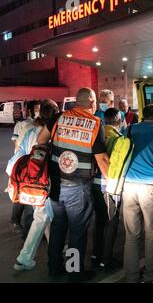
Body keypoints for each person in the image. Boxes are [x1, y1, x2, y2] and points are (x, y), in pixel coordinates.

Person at [37, 87, 109, 282]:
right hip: (78, 188)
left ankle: (54, 268)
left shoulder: (59, 117)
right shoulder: (95, 123)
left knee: (58, 226)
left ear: (77, 102)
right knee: (78, 231)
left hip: (56, 186)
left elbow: (40, 139)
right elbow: (102, 160)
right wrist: (114, 181)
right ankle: (74, 272)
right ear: (93, 103)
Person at [6, 100, 59, 271]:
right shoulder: (52, 133)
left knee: (43, 216)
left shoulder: (30, 133)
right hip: (46, 183)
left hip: (31, 184)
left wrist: (13, 180)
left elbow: (17, 157)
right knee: (43, 217)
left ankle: (53, 250)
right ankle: (24, 258)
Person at [122, 104, 153, 283]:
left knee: (131, 234)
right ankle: (150, 275)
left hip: (128, 185)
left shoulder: (130, 129)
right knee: (151, 232)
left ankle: (131, 276)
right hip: (151, 186)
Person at [91, 108, 124, 271]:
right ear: (118, 118)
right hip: (109, 186)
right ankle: (106, 259)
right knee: (111, 223)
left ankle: (96, 255)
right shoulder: (118, 138)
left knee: (99, 221)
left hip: (94, 184)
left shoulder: (98, 133)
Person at [9, 100, 41, 236]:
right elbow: (17, 146)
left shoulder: (42, 126)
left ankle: (30, 230)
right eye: (36, 109)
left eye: (40, 109)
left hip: (33, 166)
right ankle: (16, 221)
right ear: (30, 111)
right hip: (22, 164)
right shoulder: (22, 125)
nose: (38, 112)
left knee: (27, 196)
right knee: (21, 194)